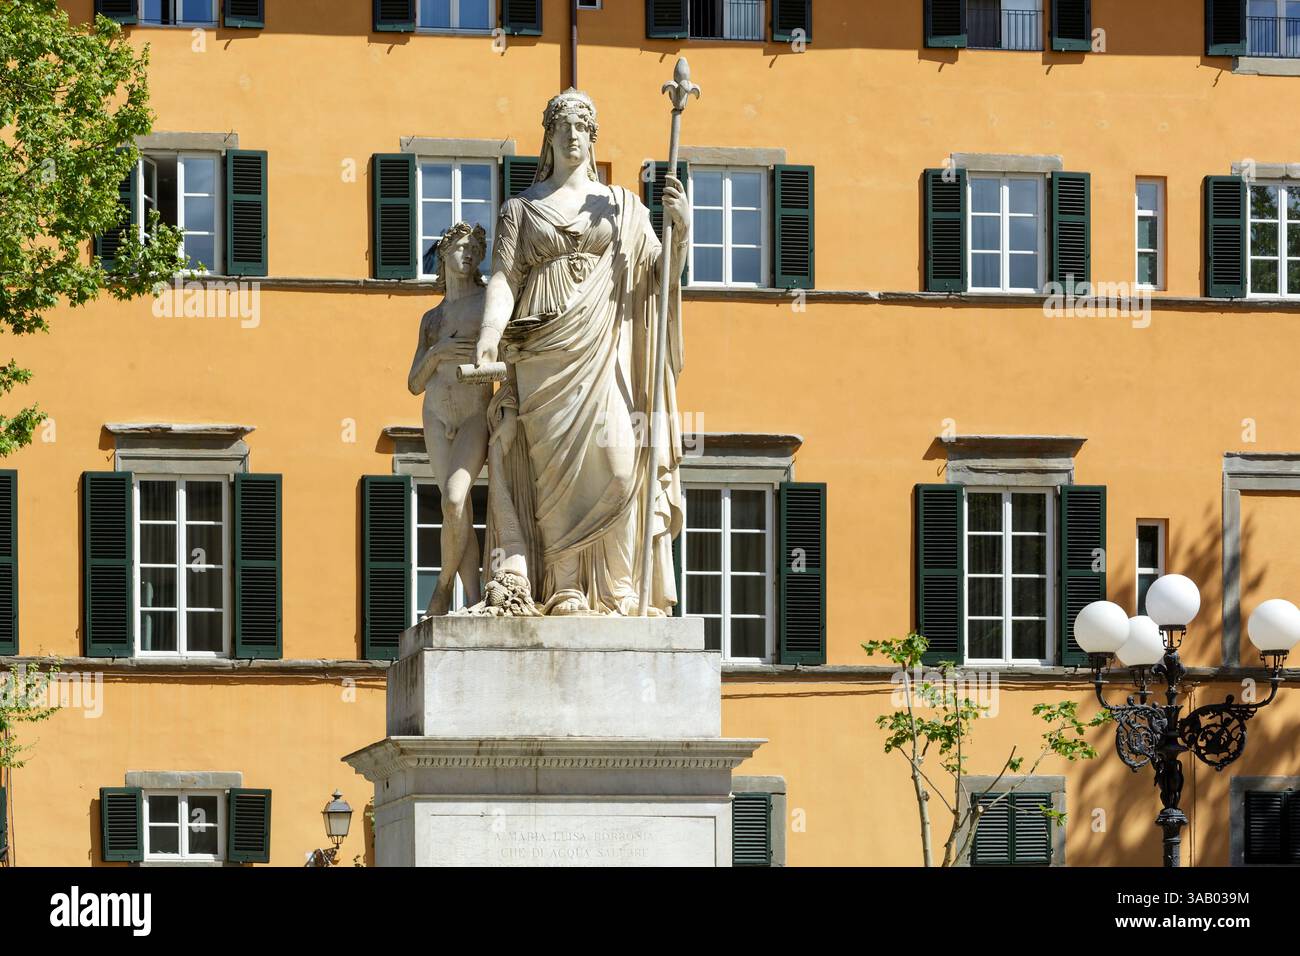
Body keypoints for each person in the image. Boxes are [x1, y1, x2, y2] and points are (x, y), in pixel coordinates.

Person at [474, 89, 689, 616]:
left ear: (593, 138)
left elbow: (659, 277)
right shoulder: (521, 209)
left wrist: (680, 230)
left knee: (620, 463)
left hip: (603, 347)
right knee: (551, 472)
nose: (572, 135)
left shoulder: (623, 207)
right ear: (547, 137)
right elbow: (503, 277)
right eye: (563, 126)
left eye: (582, 127)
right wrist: (487, 334)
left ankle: (619, 587)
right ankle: (566, 584)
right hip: (541, 347)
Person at [408, 222, 490, 616]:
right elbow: (413, 383)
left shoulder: (490, 302)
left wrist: (478, 366)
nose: (469, 253)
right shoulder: (432, 318)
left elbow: (507, 363)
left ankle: (441, 588)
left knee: (457, 499)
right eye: (460, 247)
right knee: (454, 508)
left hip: (475, 411)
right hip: (436, 414)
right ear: (444, 255)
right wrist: (438, 352)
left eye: (475, 247)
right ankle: (473, 600)